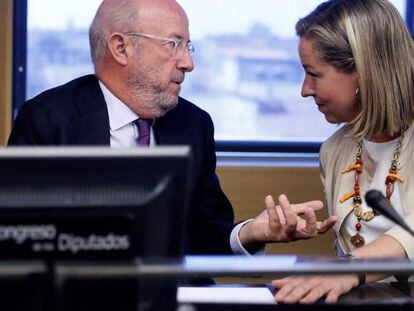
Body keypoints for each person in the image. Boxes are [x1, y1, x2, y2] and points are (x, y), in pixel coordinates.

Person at [8, 0, 336, 256]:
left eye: (188, 46)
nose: (188, 63)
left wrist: (250, 233)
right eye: (174, 44)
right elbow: (20, 242)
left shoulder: (193, 125)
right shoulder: (48, 121)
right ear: (121, 48)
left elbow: (207, 236)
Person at [271, 0, 414, 303]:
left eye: (314, 74)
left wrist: (349, 269)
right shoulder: (334, 151)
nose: (304, 89)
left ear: (363, 71)